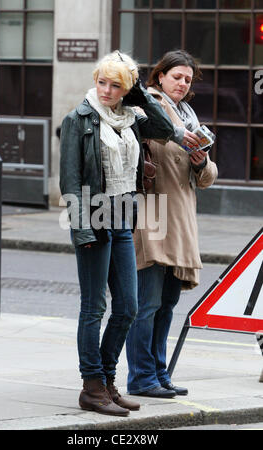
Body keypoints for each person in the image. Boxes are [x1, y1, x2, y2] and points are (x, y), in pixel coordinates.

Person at [59, 51, 197, 417]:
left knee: (129, 308)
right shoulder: (79, 119)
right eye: (101, 81)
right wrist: (81, 229)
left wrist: (140, 96)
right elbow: (70, 181)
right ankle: (92, 386)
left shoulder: (132, 117)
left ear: (127, 89)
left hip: (124, 217)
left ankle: (107, 379)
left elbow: (166, 131)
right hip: (95, 217)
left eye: (115, 85)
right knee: (95, 307)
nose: (105, 90)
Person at [126, 50, 218, 398]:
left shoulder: (189, 118)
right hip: (153, 210)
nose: (182, 83)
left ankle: (159, 373)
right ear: (160, 76)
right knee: (146, 303)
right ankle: (141, 377)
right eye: (177, 76)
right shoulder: (147, 107)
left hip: (180, 216)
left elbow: (209, 177)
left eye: (188, 80)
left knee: (167, 303)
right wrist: (179, 139)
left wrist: (200, 161)